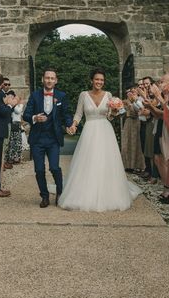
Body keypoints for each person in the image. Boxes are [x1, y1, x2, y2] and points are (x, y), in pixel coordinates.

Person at [61, 68, 142, 212]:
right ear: (91, 80)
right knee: (89, 161)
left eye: (102, 80)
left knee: (106, 162)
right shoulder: (84, 95)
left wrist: (115, 112)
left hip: (105, 130)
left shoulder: (109, 95)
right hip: (89, 130)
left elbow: (110, 116)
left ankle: (109, 193)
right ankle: (85, 192)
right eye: (97, 79)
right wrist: (73, 125)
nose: (99, 82)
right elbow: (79, 114)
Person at [22, 67, 74, 207]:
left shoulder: (61, 96)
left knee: (54, 167)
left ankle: (60, 192)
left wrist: (70, 125)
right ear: (42, 79)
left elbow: (66, 114)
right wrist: (34, 117)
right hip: (37, 139)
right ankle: (44, 196)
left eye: (52, 78)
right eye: (47, 78)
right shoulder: (35, 95)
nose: (49, 80)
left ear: (56, 81)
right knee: (39, 169)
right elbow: (26, 114)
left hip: (53, 138)